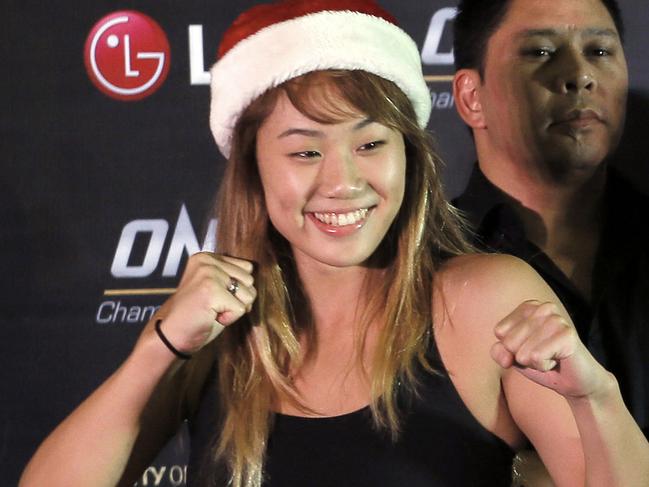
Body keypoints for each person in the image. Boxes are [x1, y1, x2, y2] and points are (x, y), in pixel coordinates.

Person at [20, 1, 649, 486]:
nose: (343, 181)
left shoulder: (484, 297)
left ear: (410, 155)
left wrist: (595, 396)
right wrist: (158, 350)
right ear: (253, 168)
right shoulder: (221, 329)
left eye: (371, 143)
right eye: (305, 150)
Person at [452, 0, 649, 440]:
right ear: (470, 97)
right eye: (540, 51)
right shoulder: (421, 263)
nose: (580, 75)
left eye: (599, 51)